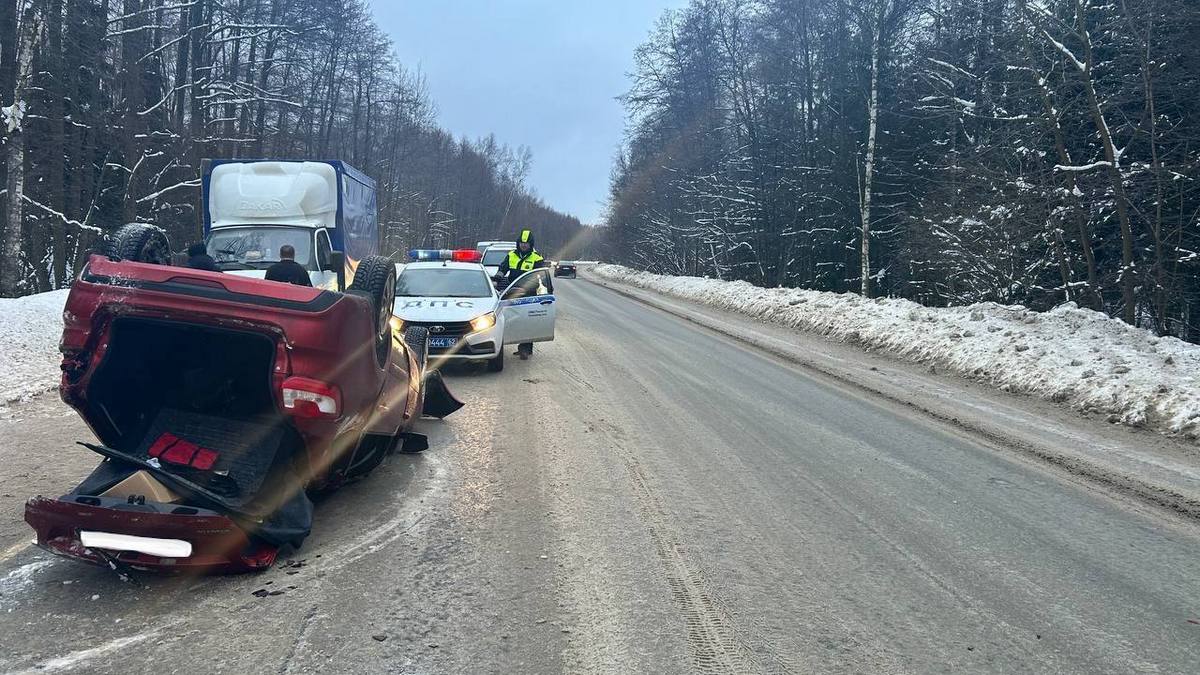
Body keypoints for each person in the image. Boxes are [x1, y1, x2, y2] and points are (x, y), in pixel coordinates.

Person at [494, 228, 552, 359]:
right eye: (521, 242)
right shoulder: (511, 255)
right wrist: (496, 280)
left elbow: (540, 277)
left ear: (531, 244)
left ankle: (525, 349)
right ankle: (507, 343)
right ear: (518, 243)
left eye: (526, 243)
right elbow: (502, 269)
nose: (524, 245)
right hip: (512, 292)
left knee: (527, 322)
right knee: (511, 320)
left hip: (529, 294)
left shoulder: (537, 258)